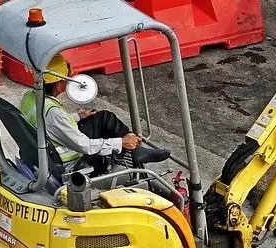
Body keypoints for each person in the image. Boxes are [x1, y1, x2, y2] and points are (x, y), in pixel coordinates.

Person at [19, 55, 166, 176]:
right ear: (58, 86)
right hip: (69, 160)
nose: (69, 81)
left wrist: (77, 116)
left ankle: (135, 147)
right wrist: (119, 142)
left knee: (103, 117)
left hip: (47, 145)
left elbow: (48, 123)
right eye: (66, 79)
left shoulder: (29, 98)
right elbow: (85, 145)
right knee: (109, 133)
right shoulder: (54, 113)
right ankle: (131, 147)